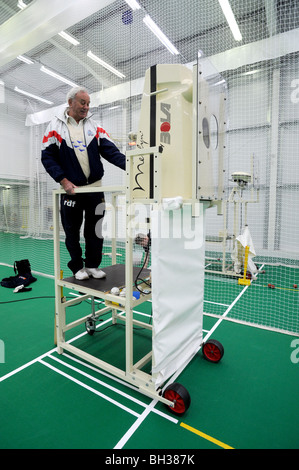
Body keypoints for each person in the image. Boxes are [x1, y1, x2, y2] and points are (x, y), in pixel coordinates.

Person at [41, 86, 126, 280]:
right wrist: (63, 180)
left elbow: (112, 152)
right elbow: (47, 158)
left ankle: (93, 266)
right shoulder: (55, 127)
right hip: (71, 190)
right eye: (82, 103)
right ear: (70, 102)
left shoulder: (94, 127)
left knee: (95, 230)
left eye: (88, 104)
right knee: (72, 232)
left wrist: (136, 167)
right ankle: (77, 267)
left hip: (95, 188)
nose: (86, 107)